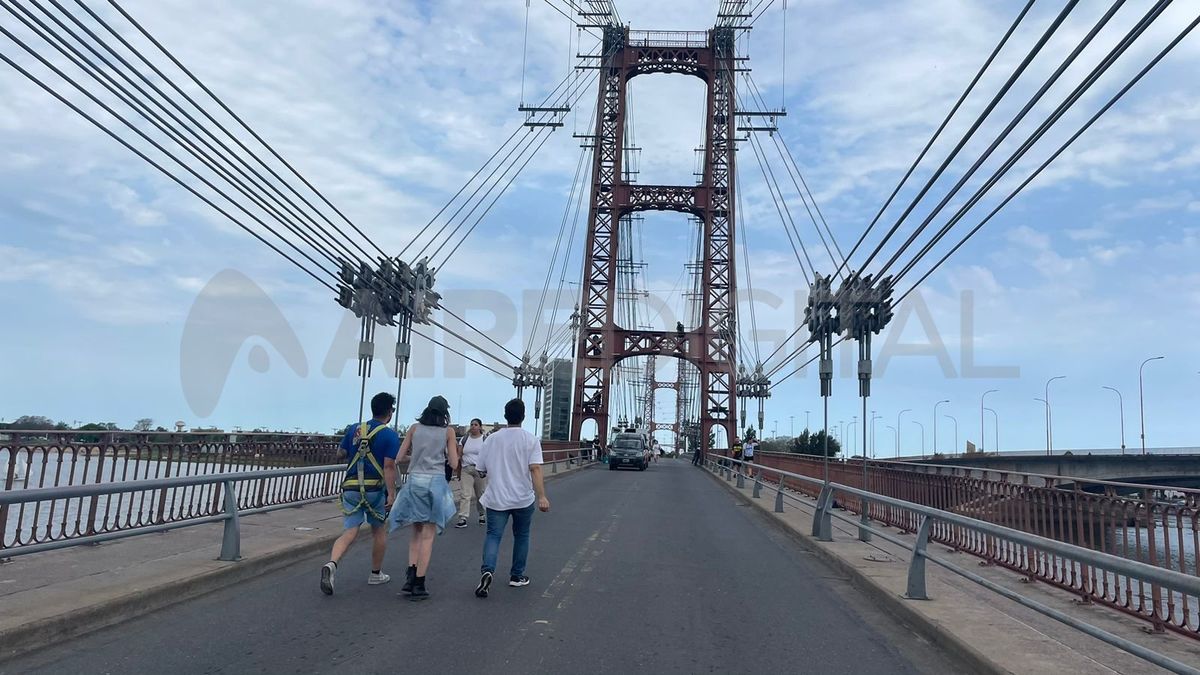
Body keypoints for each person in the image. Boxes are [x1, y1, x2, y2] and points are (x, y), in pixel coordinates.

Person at [320, 392, 401, 596]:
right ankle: (375, 574)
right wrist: (391, 494)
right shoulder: (390, 435)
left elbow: (341, 453)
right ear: (389, 412)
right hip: (374, 490)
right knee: (379, 531)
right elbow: (389, 466)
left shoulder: (354, 429)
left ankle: (332, 564)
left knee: (349, 532)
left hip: (351, 488)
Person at [473, 399, 550, 599]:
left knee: (493, 536)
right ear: (523, 417)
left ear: (505, 415)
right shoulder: (530, 440)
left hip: (497, 497)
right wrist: (542, 496)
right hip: (522, 498)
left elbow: (480, 470)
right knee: (522, 535)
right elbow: (535, 469)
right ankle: (517, 575)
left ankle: (487, 571)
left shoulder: (491, 439)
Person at [390, 395, 460, 601]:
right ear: (445, 413)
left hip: (415, 482)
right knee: (429, 535)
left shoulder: (413, 428)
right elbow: (454, 464)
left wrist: (417, 457)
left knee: (416, 532)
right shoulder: (448, 432)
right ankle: (420, 583)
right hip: (435, 483)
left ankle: (409, 578)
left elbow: (399, 458)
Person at [453, 418, 488, 528]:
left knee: (480, 494)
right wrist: (458, 471)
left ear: (480, 427)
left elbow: (489, 456)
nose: (473, 426)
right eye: (471, 424)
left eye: (476, 424)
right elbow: (459, 456)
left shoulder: (485, 440)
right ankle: (463, 518)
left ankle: (482, 514)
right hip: (466, 469)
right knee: (465, 494)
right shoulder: (464, 439)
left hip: (479, 470)